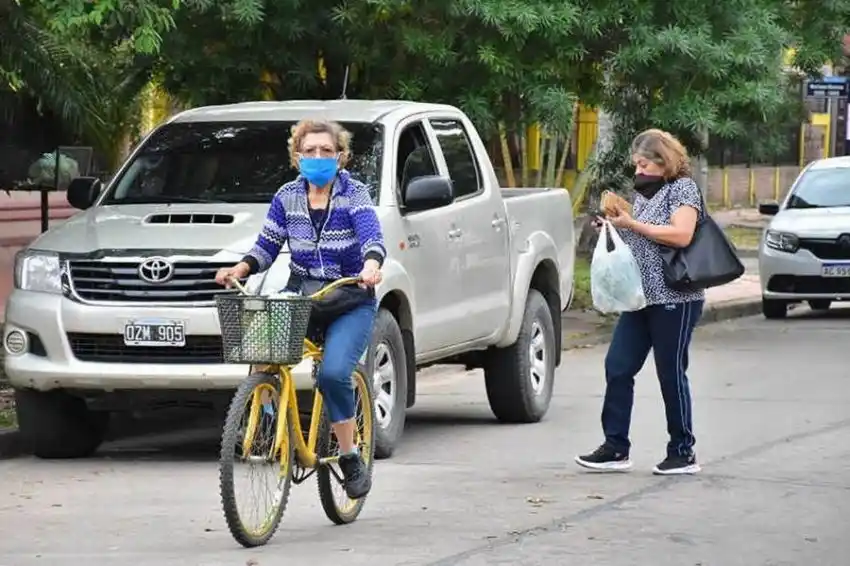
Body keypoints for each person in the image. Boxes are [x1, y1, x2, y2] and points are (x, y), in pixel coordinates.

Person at [215, 119, 386, 499]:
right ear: (297, 156)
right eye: (310, 151)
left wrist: (371, 265)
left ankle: (349, 455)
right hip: (303, 296)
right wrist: (240, 268)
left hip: (348, 299)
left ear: (341, 157)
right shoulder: (287, 196)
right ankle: (268, 425)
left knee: (334, 374)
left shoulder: (353, 194)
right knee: (261, 346)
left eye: (327, 151)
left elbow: (372, 236)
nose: (318, 157)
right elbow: (267, 245)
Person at [575, 128, 704, 476]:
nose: (639, 171)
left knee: (670, 372)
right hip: (641, 297)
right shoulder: (647, 193)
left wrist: (635, 224)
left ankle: (682, 450)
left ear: (665, 161)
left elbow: (681, 234)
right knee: (618, 367)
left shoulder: (683, 189)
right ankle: (615, 447)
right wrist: (618, 226)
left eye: (644, 164)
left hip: (676, 296)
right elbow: (644, 234)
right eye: (636, 165)